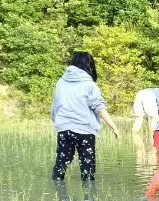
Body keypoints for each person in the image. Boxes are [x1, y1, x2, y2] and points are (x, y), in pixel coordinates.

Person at [50, 51, 120, 181]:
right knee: (87, 169)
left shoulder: (61, 82)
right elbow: (99, 108)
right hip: (84, 131)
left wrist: (58, 123)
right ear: (89, 65)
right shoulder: (90, 84)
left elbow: (55, 105)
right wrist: (114, 127)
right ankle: (90, 200)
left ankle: (59, 198)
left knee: (60, 165)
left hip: (64, 129)